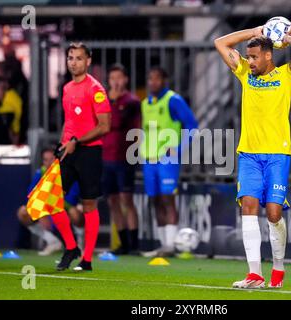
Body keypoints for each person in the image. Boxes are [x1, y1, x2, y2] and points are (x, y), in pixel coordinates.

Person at [215, 24, 291, 288]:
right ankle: (254, 274)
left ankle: (278, 269)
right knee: (248, 205)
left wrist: (286, 37)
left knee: (273, 213)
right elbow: (220, 43)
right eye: (249, 56)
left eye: (255, 56)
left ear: (269, 55)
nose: (251, 61)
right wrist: (256, 30)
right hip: (249, 153)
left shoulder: (287, 76)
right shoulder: (245, 73)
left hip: (278, 155)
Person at [52, 42, 111, 272]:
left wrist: (78, 141)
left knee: (88, 205)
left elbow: (105, 126)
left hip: (89, 152)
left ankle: (86, 260)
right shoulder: (67, 88)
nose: (73, 62)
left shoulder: (95, 89)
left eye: (78, 58)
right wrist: (63, 142)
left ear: (88, 61)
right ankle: (70, 247)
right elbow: (69, 121)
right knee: (52, 200)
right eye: (70, 58)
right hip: (69, 150)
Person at [140, 66, 198, 258]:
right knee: (155, 200)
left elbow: (192, 126)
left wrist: (179, 150)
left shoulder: (173, 100)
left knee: (168, 199)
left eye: (156, 79)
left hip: (167, 160)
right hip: (149, 159)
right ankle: (164, 244)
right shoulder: (145, 103)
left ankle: (171, 245)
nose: (152, 82)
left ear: (164, 81)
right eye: (150, 78)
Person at [101, 63, 141, 255]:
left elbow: (114, 122)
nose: (115, 82)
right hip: (106, 156)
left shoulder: (131, 102)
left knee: (127, 199)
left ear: (125, 79)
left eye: (119, 77)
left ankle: (133, 245)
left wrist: (113, 102)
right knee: (112, 201)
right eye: (112, 78)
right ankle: (123, 243)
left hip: (124, 157)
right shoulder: (104, 101)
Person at [16, 147, 83, 256]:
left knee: (76, 212)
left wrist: (46, 208)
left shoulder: (68, 173)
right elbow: (31, 197)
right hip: (50, 213)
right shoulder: (40, 173)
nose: (48, 163)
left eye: (51, 159)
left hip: (66, 212)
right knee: (23, 212)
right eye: (45, 160)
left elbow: (70, 201)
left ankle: (79, 245)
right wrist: (42, 213)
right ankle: (52, 241)